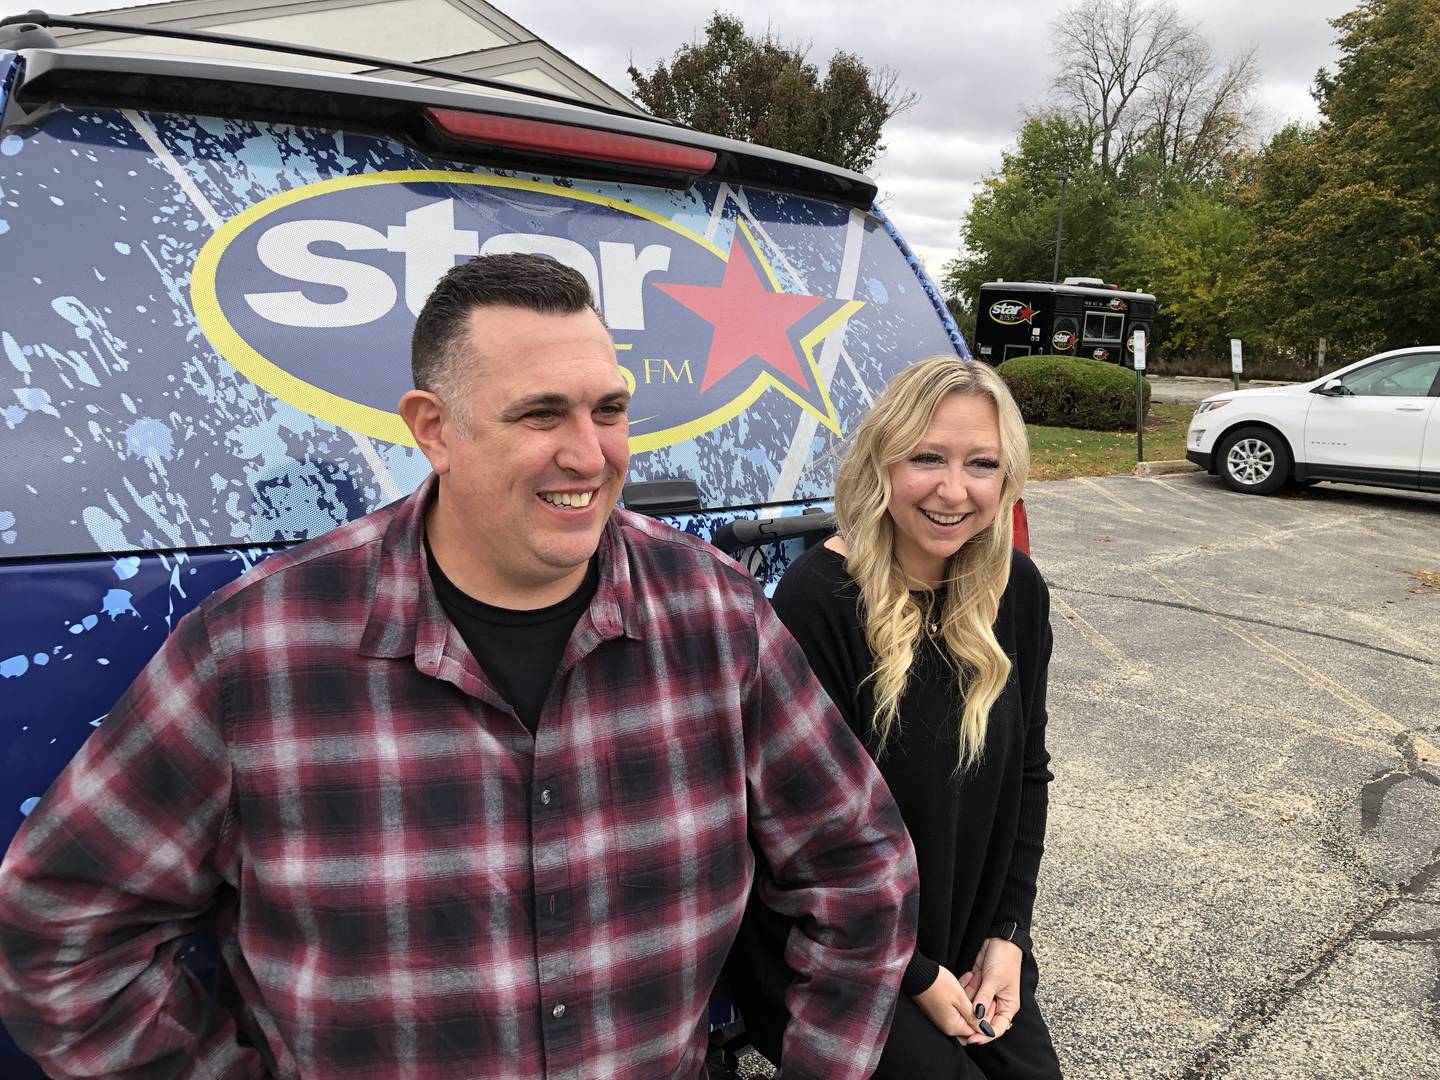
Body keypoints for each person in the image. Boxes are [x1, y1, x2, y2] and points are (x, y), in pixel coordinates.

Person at [0, 254, 919, 1080]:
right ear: (433, 428)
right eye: (541, 414)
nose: (590, 455)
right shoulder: (257, 649)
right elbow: (61, 924)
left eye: (608, 410)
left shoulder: (717, 616)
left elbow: (861, 864)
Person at [728, 356, 1061, 1079]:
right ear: (882, 462)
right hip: (833, 953)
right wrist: (913, 973)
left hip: (963, 936)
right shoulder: (819, 600)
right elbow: (794, 833)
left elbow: (1029, 775)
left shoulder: (1015, 589)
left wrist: (1010, 936)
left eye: (981, 463)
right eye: (927, 458)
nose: (953, 490)